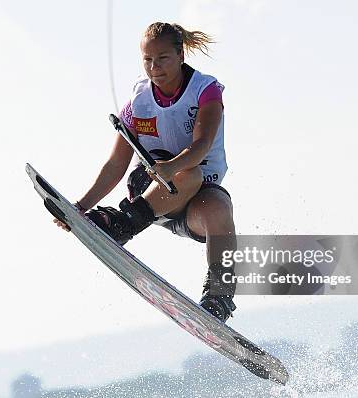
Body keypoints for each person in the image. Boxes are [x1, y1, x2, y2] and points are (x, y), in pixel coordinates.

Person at [54, 22, 238, 322]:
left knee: (219, 208)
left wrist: (172, 167)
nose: (155, 67)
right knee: (187, 176)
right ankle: (122, 223)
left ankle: (220, 296)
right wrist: (80, 208)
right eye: (148, 60)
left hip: (193, 198)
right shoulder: (138, 102)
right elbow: (115, 164)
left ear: (180, 54)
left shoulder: (206, 91)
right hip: (150, 192)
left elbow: (202, 145)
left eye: (163, 58)